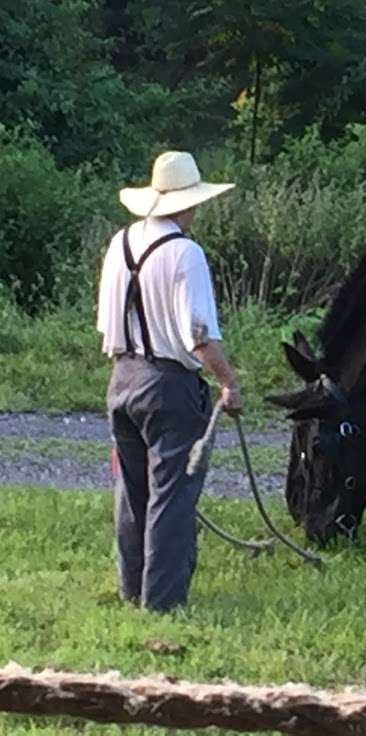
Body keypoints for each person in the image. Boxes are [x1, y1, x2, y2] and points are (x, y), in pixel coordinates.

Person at [96, 150, 242, 612]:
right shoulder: (186, 253)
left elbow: (105, 328)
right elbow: (198, 334)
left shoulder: (120, 244)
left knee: (132, 490)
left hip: (122, 377)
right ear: (188, 204)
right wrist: (229, 383)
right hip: (168, 384)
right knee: (172, 495)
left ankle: (131, 587)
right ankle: (161, 602)